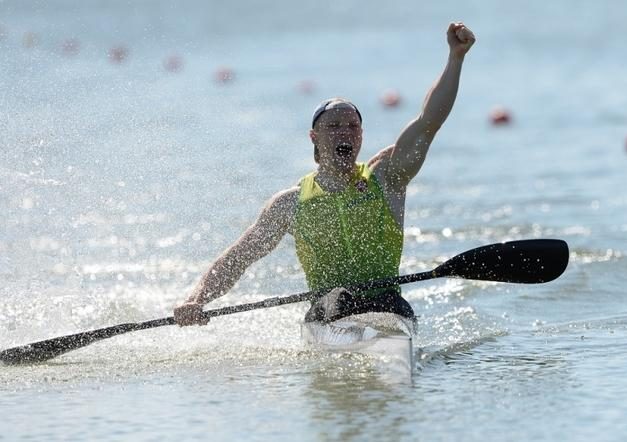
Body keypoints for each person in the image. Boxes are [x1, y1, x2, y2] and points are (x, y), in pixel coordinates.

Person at [174, 22, 476, 326]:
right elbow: (238, 258)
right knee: (337, 299)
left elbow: (428, 122)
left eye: (352, 127)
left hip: (388, 307)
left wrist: (456, 58)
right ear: (314, 137)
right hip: (327, 313)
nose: (344, 133)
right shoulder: (290, 204)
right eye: (333, 127)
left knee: (385, 303)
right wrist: (196, 300)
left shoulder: (387, 178)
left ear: (361, 134)